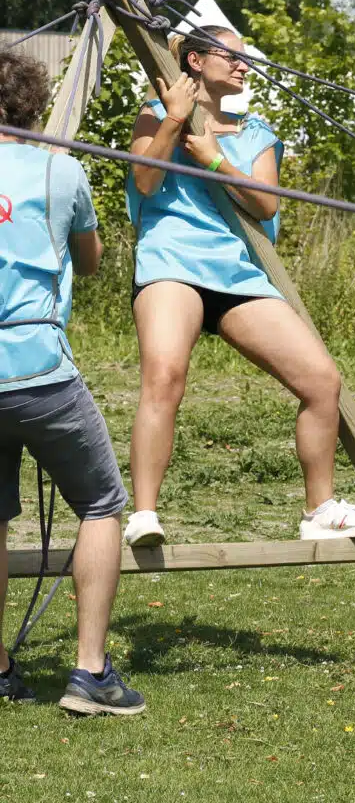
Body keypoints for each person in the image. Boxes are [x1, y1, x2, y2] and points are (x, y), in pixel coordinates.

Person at [124, 25, 355, 547]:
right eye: (233, 57)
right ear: (197, 61)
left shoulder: (256, 133)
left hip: (235, 271)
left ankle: (319, 510)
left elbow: (266, 205)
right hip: (171, 261)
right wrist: (175, 119)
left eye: (245, 59)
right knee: (165, 375)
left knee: (322, 381)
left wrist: (214, 159)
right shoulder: (155, 113)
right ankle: (143, 515)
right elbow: (145, 182)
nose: (244, 66)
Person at [0, 48, 144, 714]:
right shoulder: (63, 171)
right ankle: (90, 673)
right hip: (40, 371)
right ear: (34, 106)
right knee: (101, 503)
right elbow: (88, 260)